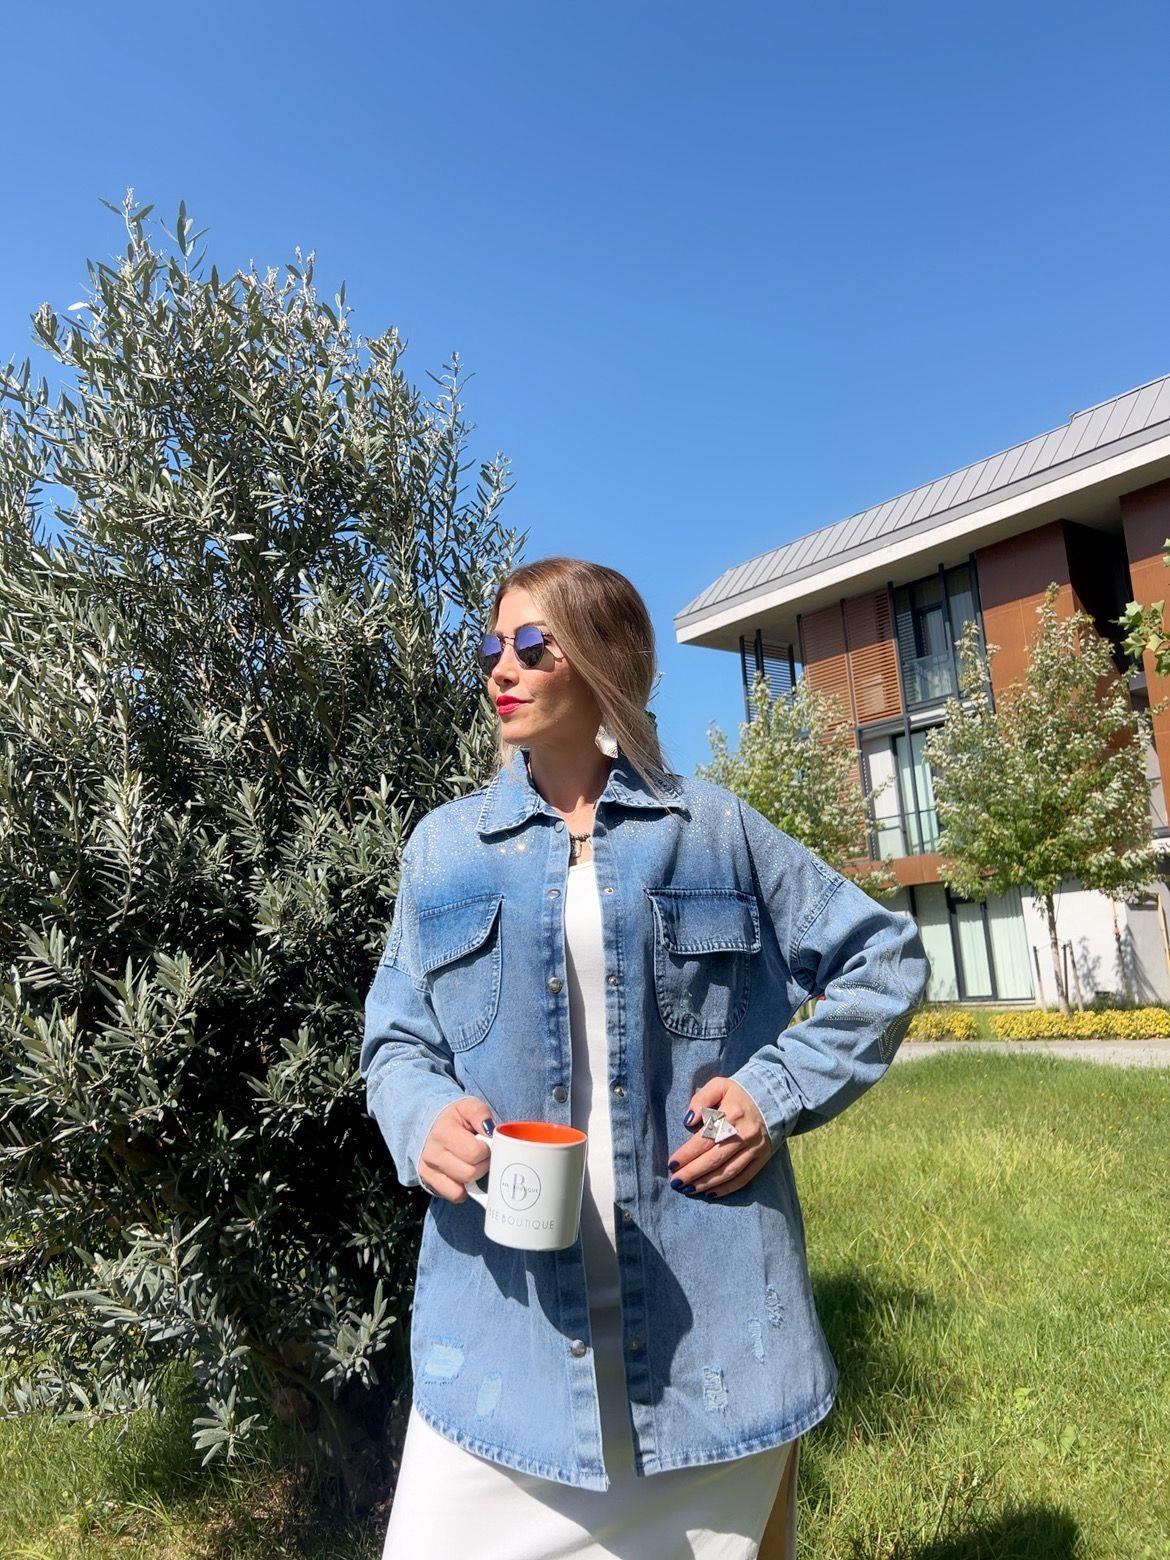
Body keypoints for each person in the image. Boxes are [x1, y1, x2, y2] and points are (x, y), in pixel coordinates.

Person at [362, 556, 930, 1559]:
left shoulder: (711, 831)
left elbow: (884, 959)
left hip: (710, 1330)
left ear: (605, 660)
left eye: (531, 645)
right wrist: (421, 1119)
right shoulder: (443, 851)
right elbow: (396, 1038)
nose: (502, 667)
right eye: (492, 645)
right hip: (503, 1337)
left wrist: (771, 1092)